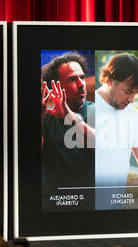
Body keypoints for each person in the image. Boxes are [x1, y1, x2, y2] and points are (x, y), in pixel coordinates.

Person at [41, 52, 95, 210]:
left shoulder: (96, 110)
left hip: (89, 205)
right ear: (56, 86)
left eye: (82, 77)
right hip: (52, 204)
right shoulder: (46, 115)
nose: (81, 84)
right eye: (73, 79)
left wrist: (67, 114)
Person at [95, 53, 138, 209]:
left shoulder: (133, 115)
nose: (132, 99)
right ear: (110, 80)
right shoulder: (88, 107)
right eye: (128, 91)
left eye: (136, 93)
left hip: (117, 209)